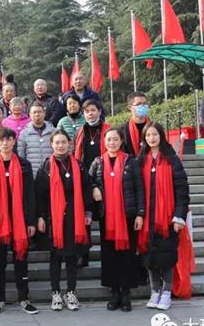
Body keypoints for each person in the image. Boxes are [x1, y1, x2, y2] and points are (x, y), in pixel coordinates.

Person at [0, 127, 39, 315]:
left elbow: (30, 195)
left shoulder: (24, 165)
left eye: (8, 139)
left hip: (20, 220)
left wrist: (31, 221)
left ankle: (24, 298)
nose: (5, 143)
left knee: (21, 260)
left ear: (14, 141)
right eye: (1, 140)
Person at [36, 129, 93, 312]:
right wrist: (40, 216)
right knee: (55, 257)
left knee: (71, 257)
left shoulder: (78, 165)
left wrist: (88, 212)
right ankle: (55, 293)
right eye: (57, 142)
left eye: (63, 142)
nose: (60, 146)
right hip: (54, 218)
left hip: (75, 217)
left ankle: (70, 292)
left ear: (70, 143)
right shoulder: (46, 167)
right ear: (51, 144)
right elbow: (40, 196)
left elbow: (87, 189)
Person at [88, 128, 145, 312]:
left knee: (127, 256)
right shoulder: (98, 162)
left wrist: (140, 213)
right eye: (108, 139)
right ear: (104, 142)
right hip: (106, 217)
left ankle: (126, 293)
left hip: (127, 215)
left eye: (115, 139)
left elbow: (140, 188)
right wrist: (94, 188)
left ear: (121, 141)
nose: (111, 143)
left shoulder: (131, 161)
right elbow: (88, 181)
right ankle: (114, 293)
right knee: (109, 256)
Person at [136, 123, 189, 311]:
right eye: (148, 135)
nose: (151, 138)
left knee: (166, 257)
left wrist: (179, 216)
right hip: (147, 219)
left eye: (155, 134)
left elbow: (182, 190)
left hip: (167, 218)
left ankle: (166, 292)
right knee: (149, 257)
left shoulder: (172, 159)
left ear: (161, 136)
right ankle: (155, 291)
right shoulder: (141, 160)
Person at [73, 99, 110, 268]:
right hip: (84, 179)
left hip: (104, 179)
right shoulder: (80, 131)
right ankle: (83, 254)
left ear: (99, 111)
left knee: (105, 217)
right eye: (87, 111)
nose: (90, 114)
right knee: (84, 218)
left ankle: (107, 255)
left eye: (93, 110)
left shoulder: (108, 130)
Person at [18, 101, 54, 177]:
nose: (37, 114)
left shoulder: (53, 131)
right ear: (30, 115)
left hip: (51, 173)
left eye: (39, 112)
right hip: (32, 174)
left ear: (44, 113)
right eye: (34, 112)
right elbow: (21, 155)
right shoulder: (24, 133)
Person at [121, 92, 151, 157]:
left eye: (145, 103)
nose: (143, 106)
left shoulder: (154, 128)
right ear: (130, 107)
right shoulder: (122, 131)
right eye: (139, 104)